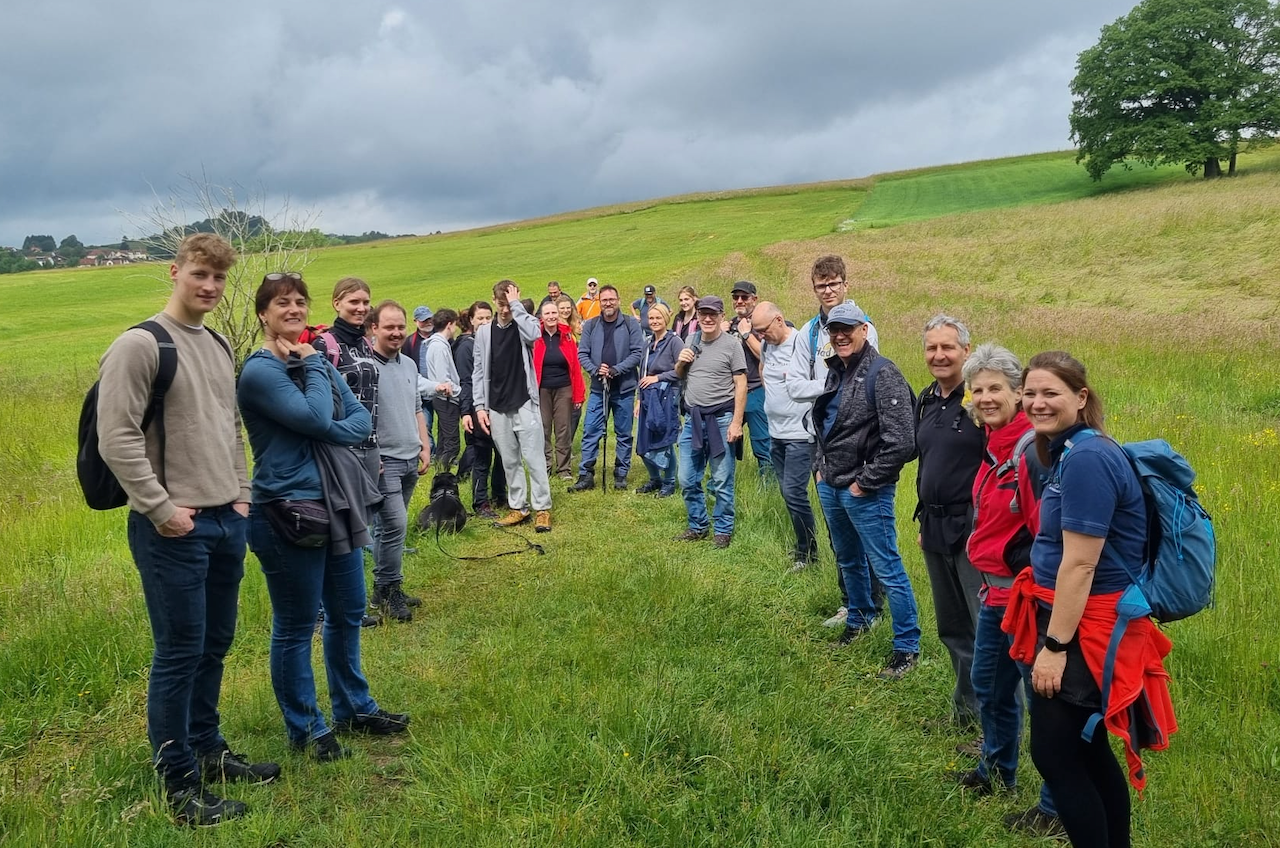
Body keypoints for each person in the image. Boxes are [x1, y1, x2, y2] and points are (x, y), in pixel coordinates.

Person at [96, 233, 276, 826]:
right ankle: (178, 783)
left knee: (215, 645)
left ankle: (208, 750)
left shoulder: (220, 343)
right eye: (200, 274)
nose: (210, 286)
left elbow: (229, 428)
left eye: (220, 279)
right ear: (174, 272)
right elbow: (117, 438)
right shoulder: (140, 345)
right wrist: (159, 507)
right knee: (178, 653)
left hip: (226, 519)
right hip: (173, 528)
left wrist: (243, 495)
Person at [1003, 351, 1174, 848]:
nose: (1037, 402)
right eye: (1030, 393)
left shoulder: (1089, 459)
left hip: (1086, 625)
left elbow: (1081, 563)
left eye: (1050, 393)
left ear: (1080, 398)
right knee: (1086, 746)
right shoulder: (1067, 450)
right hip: (1078, 615)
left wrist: (1054, 648)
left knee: (1056, 755)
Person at [238, 273, 409, 769]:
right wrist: (313, 364)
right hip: (287, 511)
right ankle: (307, 728)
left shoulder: (314, 360)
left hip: (336, 504)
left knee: (349, 610)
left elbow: (359, 420)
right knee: (294, 626)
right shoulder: (260, 371)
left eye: (299, 302)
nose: (292, 309)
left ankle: (354, 708)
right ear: (263, 313)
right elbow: (316, 417)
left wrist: (324, 421)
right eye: (281, 303)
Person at [952, 343, 1063, 837]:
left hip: (1027, 602)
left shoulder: (1031, 452)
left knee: (1045, 705)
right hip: (994, 596)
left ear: (1018, 393)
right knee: (991, 688)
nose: (986, 397)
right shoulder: (995, 445)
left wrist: (1038, 599)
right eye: (978, 390)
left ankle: (1056, 806)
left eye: (996, 387)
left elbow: (1047, 537)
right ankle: (996, 770)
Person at [812, 303, 921, 678]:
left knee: (887, 566)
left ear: (864, 329)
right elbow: (826, 424)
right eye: (833, 329)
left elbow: (903, 441)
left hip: (864, 489)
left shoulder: (883, 373)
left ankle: (907, 647)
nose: (839, 335)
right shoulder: (836, 371)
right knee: (848, 559)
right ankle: (859, 621)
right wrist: (820, 468)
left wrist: (866, 481)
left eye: (847, 328)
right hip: (831, 482)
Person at [788, 254, 882, 629]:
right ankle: (851, 603)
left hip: (857, 442)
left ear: (846, 284)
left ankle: (872, 603)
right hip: (820, 441)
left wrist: (829, 390)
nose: (827, 290)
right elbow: (794, 386)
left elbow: (865, 381)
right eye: (820, 285)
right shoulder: (809, 332)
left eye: (833, 283)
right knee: (836, 526)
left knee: (863, 523)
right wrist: (830, 387)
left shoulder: (864, 328)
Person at [913, 315, 984, 735]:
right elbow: (927, 463)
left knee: (986, 633)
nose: (939, 355)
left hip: (973, 532)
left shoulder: (980, 401)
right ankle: (966, 714)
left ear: (966, 351)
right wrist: (924, 517)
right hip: (935, 527)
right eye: (931, 348)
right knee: (953, 628)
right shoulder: (927, 399)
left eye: (948, 347)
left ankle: (997, 730)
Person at [311, 276, 384, 629]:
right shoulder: (324, 345)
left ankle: (350, 605)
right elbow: (315, 404)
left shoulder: (367, 345)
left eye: (365, 302)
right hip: (339, 451)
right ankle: (323, 610)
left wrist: (378, 448)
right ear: (336, 303)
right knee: (337, 528)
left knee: (361, 529)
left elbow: (373, 401)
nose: (360, 308)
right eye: (353, 301)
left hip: (369, 447)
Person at [366, 301, 436, 622]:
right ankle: (390, 589)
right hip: (384, 462)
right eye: (389, 327)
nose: (396, 333)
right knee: (395, 524)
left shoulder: (409, 364)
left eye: (400, 327)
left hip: (411, 458)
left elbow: (417, 407)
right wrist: (370, 454)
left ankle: (382, 590)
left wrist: (425, 445)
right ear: (374, 329)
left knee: (386, 528)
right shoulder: (366, 368)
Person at [473, 280, 554, 532]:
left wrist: (517, 306)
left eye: (508, 305)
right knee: (509, 460)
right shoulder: (484, 332)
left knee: (534, 458)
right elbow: (477, 371)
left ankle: (542, 508)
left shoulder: (522, 325)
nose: (505, 310)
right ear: (494, 300)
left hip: (524, 401)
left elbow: (535, 334)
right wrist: (479, 406)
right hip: (496, 404)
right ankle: (518, 507)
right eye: (501, 304)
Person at [673, 296, 746, 548]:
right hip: (692, 419)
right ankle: (698, 525)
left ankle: (723, 529)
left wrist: (737, 423)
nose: (707, 318)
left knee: (722, 479)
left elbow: (741, 384)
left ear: (721, 316)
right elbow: (679, 374)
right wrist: (681, 362)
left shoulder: (732, 345)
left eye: (712, 314)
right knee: (686, 478)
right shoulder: (690, 340)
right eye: (703, 313)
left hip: (722, 419)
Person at [752, 302, 818, 571]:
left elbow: (820, 381)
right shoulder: (767, 346)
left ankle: (808, 553)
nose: (760, 336)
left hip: (800, 435)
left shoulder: (802, 343)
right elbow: (763, 370)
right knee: (787, 492)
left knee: (794, 492)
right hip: (775, 433)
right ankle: (804, 548)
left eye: (763, 330)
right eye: (756, 332)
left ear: (779, 320)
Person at [569, 284, 645, 491]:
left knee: (623, 433)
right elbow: (582, 353)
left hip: (624, 389)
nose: (608, 303)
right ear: (599, 302)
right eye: (604, 300)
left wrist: (616, 369)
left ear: (618, 300)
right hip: (598, 388)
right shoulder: (591, 325)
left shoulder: (630, 324)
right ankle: (586, 475)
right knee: (591, 431)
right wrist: (596, 370)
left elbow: (638, 353)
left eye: (612, 299)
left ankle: (621, 473)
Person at [455, 301, 507, 520]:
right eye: (480, 318)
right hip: (478, 409)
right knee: (482, 456)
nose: (485, 322)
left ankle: (500, 494)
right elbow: (466, 381)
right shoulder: (468, 346)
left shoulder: (496, 341)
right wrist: (466, 411)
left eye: (488, 318)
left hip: (500, 407)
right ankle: (480, 502)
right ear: (471, 321)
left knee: (504, 454)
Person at [635, 302, 684, 497]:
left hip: (666, 396)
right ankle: (655, 478)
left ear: (666, 319)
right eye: (651, 318)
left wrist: (659, 377)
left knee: (664, 440)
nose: (654, 321)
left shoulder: (674, 342)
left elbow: (682, 371)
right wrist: (639, 399)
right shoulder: (647, 343)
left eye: (658, 318)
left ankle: (669, 482)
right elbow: (643, 373)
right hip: (648, 397)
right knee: (644, 440)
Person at [724, 281, 772, 478]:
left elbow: (767, 357)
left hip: (755, 390)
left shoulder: (762, 324)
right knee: (726, 439)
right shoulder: (729, 324)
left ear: (755, 299)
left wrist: (746, 334)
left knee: (762, 443)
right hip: (730, 392)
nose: (740, 301)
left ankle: (768, 487)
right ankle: (724, 483)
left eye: (744, 297)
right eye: (736, 297)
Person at [533, 300, 585, 480]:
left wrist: (579, 394)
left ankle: (564, 469)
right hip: (542, 389)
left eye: (554, 313)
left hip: (564, 388)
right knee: (544, 428)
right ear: (542, 316)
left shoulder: (567, 336)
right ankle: (545, 466)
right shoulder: (535, 337)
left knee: (563, 429)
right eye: (547, 314)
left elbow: (576, 368)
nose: (551, 317)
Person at [425, 308, 462, 471]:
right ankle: (445, 474)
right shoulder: (439, 347)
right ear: (449, 325)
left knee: (443, 439)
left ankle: (439, 469)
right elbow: (443, 378)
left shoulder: (437, 344)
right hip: (446, 398)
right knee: (451, 442)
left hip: (442, 398)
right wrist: (460, 391)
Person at [402, 304, 435, 451]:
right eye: (423, 321)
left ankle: (446, 454)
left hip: (440, 388)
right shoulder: (409, 342)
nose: (427, 323)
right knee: (425, 423)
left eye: (429, 319)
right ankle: (431, 451)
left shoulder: (440, 338)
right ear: (415, 321)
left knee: (447, 425)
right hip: (421, 390)